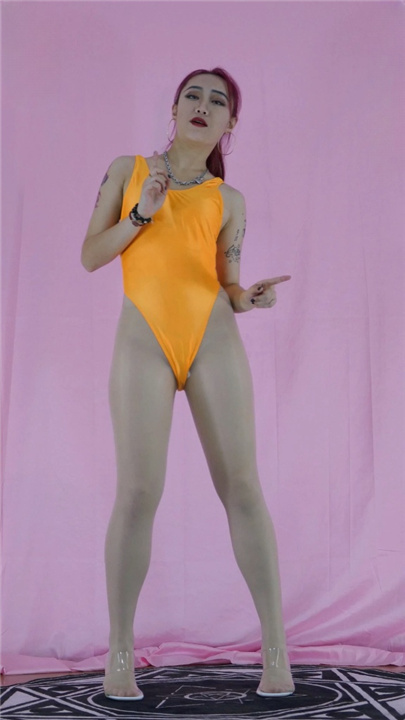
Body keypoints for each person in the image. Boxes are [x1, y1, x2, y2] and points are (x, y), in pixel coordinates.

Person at [81, 67, 295, 701]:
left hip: (212, 337)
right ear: (174, 108)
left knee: (244, 487)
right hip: (142, 337)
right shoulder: (128, 170)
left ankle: (276, 648)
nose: (204, 105)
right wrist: (141, 214)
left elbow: (227, 282)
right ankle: (120, 651)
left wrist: (248, 298)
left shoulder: (231, 200)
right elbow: (92, 255)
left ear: (231, 123)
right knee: (138, 492)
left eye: (218, 101)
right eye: (193, 95)